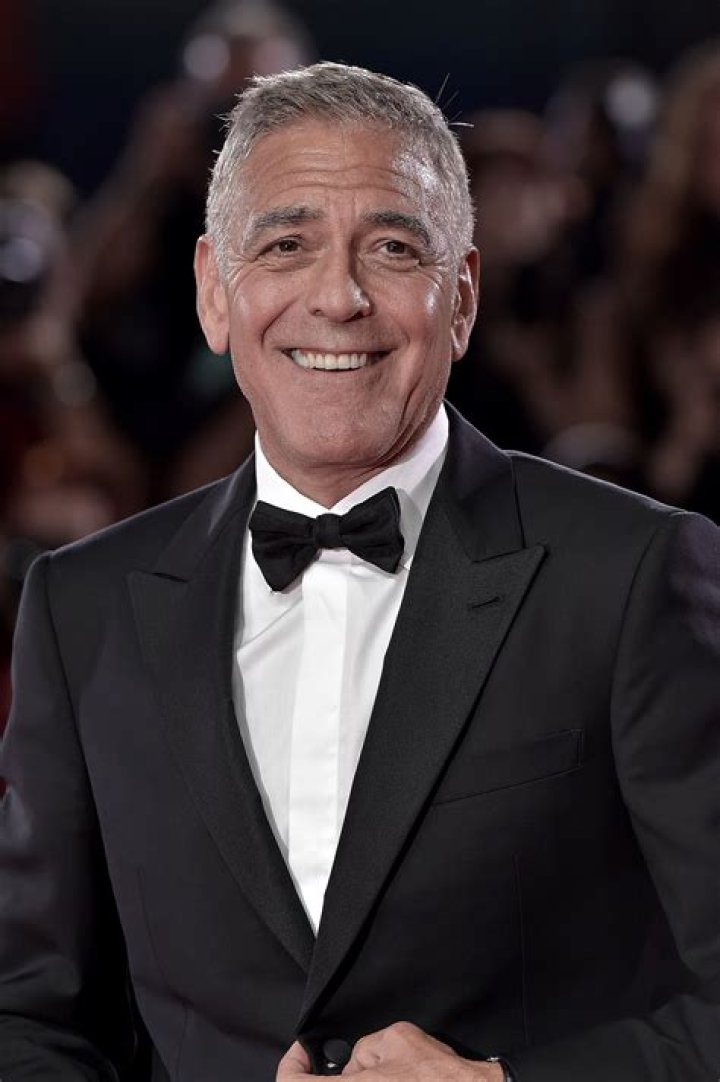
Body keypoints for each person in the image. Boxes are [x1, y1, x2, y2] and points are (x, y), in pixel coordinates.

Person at [0, 61, 719, 1082]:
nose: (336, 298)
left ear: (461, 297)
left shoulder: (634, 574)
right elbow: (27, 1014)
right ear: (214, 292)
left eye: (391, 248)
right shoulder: (83, 610)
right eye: (285, 245)